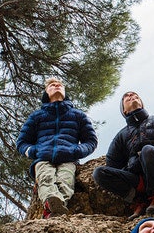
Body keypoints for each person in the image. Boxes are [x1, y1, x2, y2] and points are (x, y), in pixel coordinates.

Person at [17, 76, 98, 218]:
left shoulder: (78, 115)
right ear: (46, 93)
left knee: (65, 181)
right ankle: (52, 205)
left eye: (60, 84)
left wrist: (76, 151)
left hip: (68, 159)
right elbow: (22, 142)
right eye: (52, 85)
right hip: (43, 158)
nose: (57, 86)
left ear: (65, 92)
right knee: (46, 177)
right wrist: (33, 151)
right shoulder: (36, 116)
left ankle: (53, 209)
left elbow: (90, 141)